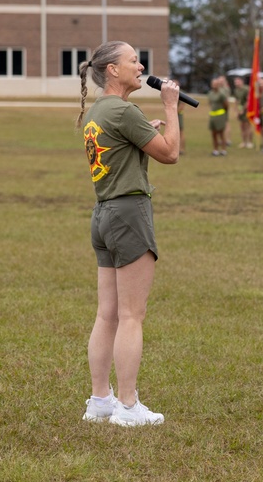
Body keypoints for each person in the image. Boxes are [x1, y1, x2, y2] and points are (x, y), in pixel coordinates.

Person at [77, 40, 179, 427]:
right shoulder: (124, 110)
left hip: (103, 213)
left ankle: (99, 400)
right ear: (113, 71)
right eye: (134, 61)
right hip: (128, 212)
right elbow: (170, 154)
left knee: (107, 315)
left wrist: (143, 131)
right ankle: (128, 405)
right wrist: (170, 106)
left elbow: (120, 147)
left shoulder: (100, 111)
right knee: (132, 315)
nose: (141, 67)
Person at [206, 76, 230, 156]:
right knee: (214, 134)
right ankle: (215, 150)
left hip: (220, 115)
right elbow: (210, 103)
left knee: (221, 133)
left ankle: (223, 150)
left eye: (216, 84)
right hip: (213, 115)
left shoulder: (222, 94)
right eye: (213, 84)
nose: (214, 86)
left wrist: (223, 113)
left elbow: (226, 105)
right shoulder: (210, 93)